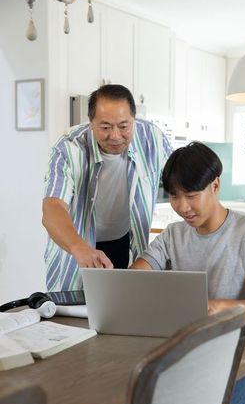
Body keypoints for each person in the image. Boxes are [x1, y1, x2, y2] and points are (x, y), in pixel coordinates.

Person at [131, 141, 245, 404]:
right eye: (174, 196)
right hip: (185, 350)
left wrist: (218, 306)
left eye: (191, 195)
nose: (182, 207)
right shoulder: (172, 235)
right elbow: (135, 280)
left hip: (243, 358)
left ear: (215, 186)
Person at [42, 84, 172, 291]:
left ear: (134, 120)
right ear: (91, 122)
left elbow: (180, 181)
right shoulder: (68, 148)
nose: (115, 136)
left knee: (119, 308)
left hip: (123, 240)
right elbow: (52, 208)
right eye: (105, 127)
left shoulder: (152, 138)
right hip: (77, 245)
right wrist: (80, 248)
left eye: (123, 126)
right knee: (70, 316)